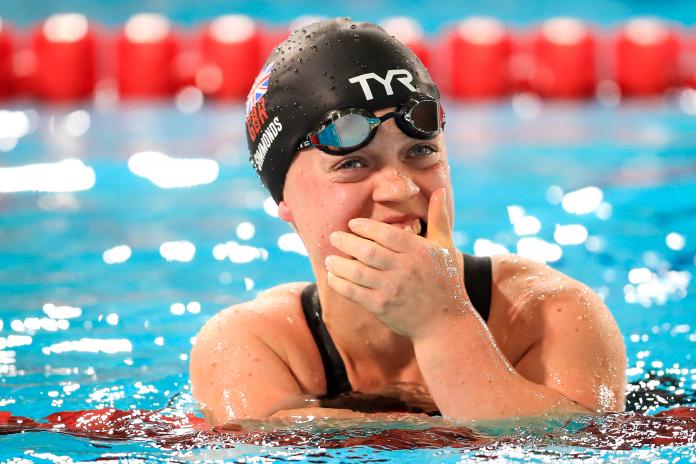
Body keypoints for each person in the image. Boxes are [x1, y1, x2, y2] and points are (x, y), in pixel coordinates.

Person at [189, 18, 626, 424]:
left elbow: (583, 444)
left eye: (420, 152)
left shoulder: (553, 315)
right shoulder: (255, 346)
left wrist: (443, 324)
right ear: (283, 197)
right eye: (354, 164)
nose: (400, 188)